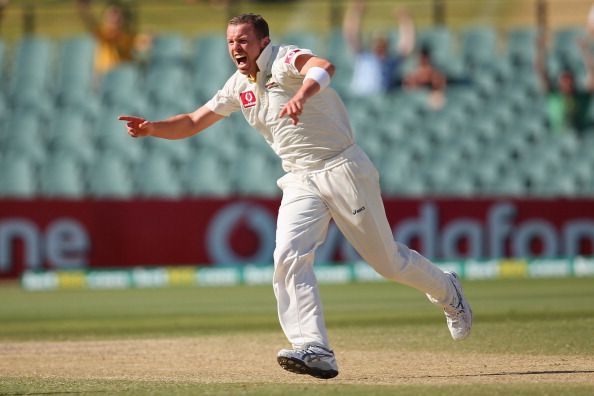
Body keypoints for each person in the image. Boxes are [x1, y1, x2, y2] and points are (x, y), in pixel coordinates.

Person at [119, 13, 472, 380]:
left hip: (342, 167)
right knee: (287, 255)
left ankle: (448, 291)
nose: (235, 48)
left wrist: (303, 93)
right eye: (230, 42)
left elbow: (324, 66)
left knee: (388, 263)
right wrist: (152, 129)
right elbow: (194, 121)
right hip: (300, 178)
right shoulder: (238, 85)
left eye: (242, 40)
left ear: (262, 43)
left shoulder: (285, 60)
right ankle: (314, 348)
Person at [342, 0, 415, 96]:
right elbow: (350, 34)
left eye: (383, 44)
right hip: (362, 101)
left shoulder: (391, 61)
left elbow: (406, 46)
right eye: (377, 43)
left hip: (384, 104)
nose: (380, 47)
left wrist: (405, 20)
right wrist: (356, 13)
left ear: (387, 45)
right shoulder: (363, 57)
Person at [537, 30, 594, 135]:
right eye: (564, 81)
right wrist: (540, 50)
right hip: (559, 136)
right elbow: (541, 72)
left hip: (580, 135)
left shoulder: (582, 97)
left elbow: (592, 73)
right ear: (559, 83)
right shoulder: (553, 96)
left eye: (569, 80)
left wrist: (585, 51)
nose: (567, 84)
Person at [77, 0, 140, 74]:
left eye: (116, 13)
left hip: (123, 77)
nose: (114, 18)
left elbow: (141, 42)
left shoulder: (128, 37)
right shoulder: (102, 34)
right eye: (111, 14)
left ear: (123, 18)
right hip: (103, 76)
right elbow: (90, 22)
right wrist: (84, 9)